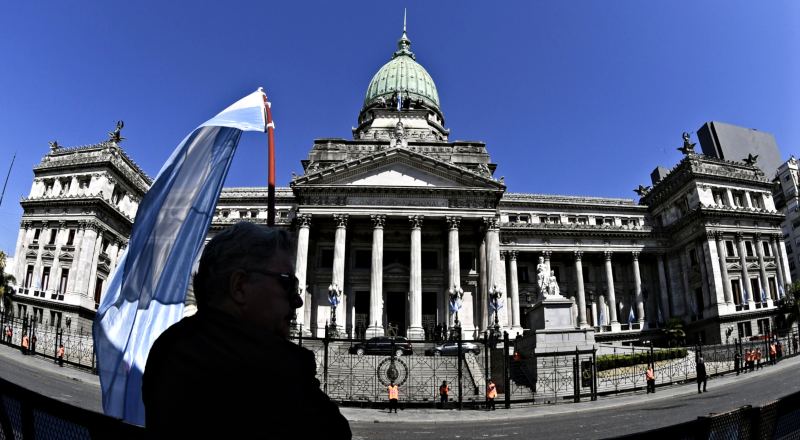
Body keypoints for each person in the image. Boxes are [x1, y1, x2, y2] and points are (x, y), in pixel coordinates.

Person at [142, 222, 351, 439]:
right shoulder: (274, 369)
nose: (298, 301)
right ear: (239, 286)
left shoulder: (169, 347)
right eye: (287, 284)